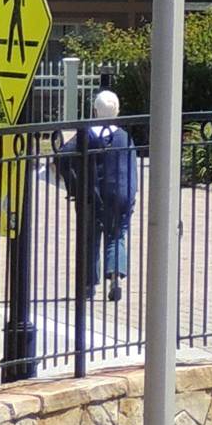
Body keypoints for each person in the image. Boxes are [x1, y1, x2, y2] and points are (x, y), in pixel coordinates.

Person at [57, 88, 140, 303]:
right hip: (120, 196)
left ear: (94, 111)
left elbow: (63, 156)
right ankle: (114, 280)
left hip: (92, 196)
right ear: (118, 111)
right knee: (116, 236)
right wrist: (131, 195)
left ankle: (88, 284)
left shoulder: (87, 134)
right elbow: (132, 168)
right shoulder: (124, 137)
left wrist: (73, 184)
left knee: (90, 238)